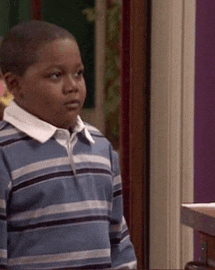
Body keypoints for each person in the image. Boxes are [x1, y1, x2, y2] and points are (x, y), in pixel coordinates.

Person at [0, 21, 137, 269]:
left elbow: (118, 240)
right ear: (15, 85)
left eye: (79, 73)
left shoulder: (101, 148)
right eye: (56, 75)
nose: (72, 86)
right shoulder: (4, 155)